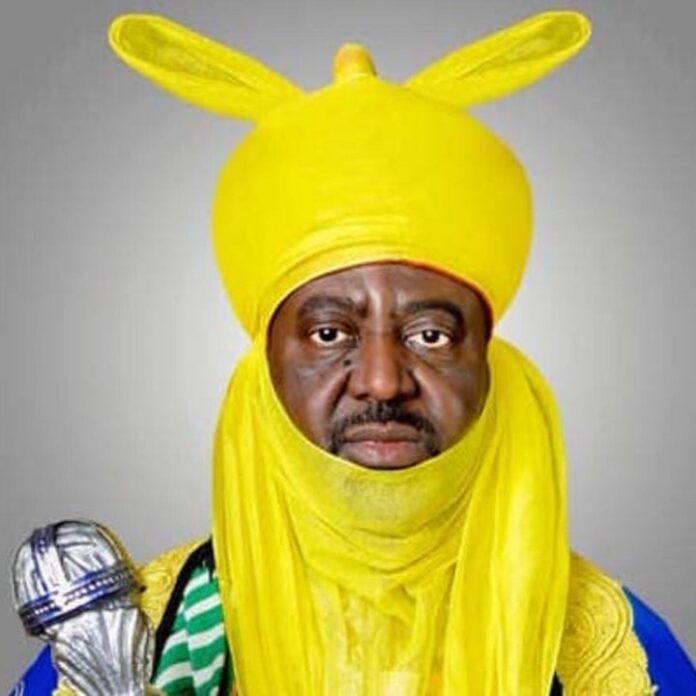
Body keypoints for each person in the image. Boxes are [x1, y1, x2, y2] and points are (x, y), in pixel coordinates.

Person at [10, 9, 696, 696]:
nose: (382, 381)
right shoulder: (152, 636)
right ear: (264, 372)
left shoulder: (612, 652)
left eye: (430, 335)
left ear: (490, 366)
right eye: (329, 334)